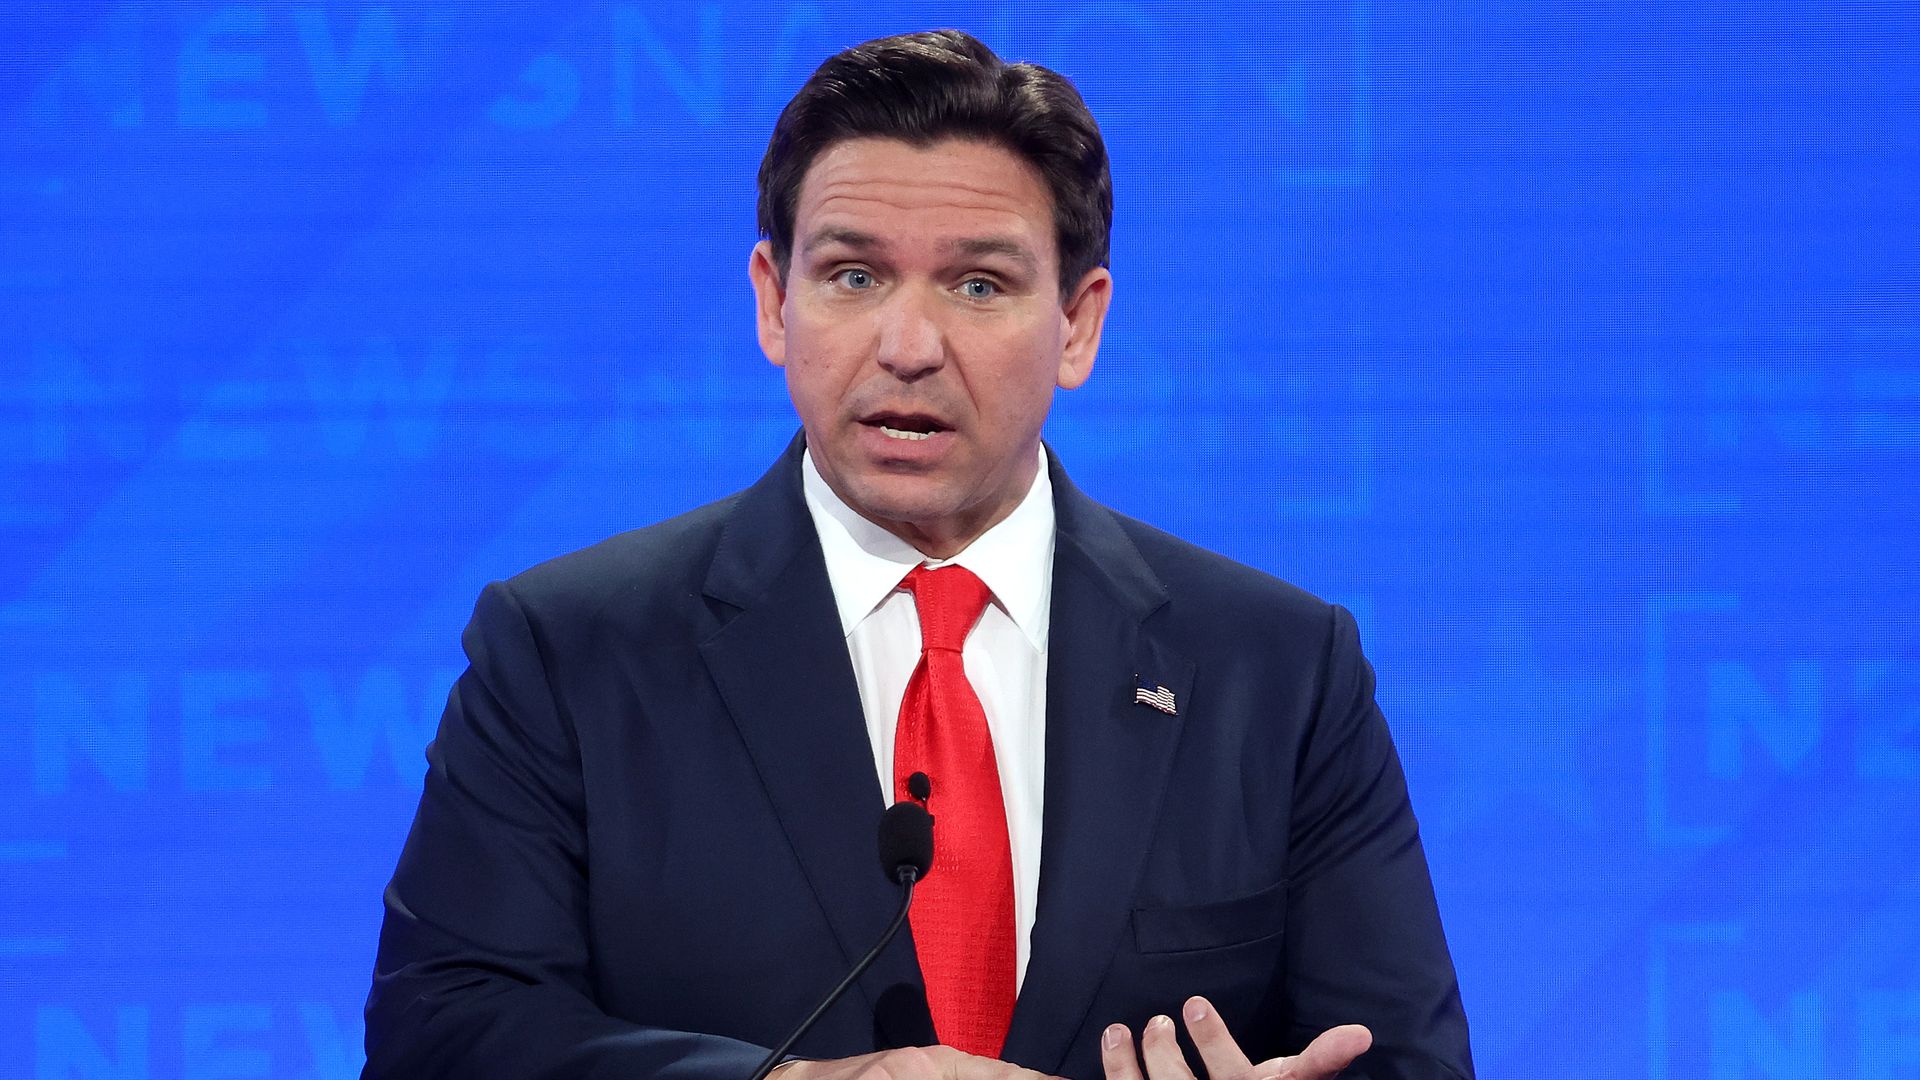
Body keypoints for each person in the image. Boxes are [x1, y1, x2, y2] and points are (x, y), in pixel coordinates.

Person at [362, 29, 1474, 1080]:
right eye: (852, 275)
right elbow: (443, 1033)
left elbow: (1403, 1058)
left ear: (1079, 325)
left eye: (979, 285)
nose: (906, 347)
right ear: (772, 302)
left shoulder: (1276, 669)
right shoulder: (569, 650)